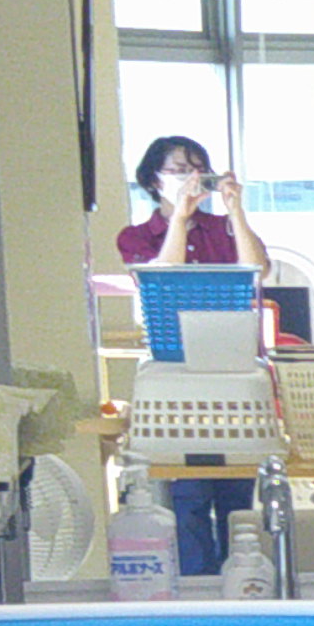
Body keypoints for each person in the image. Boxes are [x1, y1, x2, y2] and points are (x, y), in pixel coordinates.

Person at [115, 135, 273, 576]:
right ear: (154, 179)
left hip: (233, 372)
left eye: (199, 170)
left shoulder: (222, 228)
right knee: (187, 497)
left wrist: (235, 210)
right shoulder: (135, 236)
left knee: (237, 498)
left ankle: (242, 578)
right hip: (176, 375)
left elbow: (258, 271)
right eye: (180, 170)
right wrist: (180, 219)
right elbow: (161, 279)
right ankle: (197, 583)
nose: (191, 179)